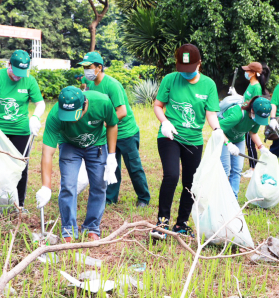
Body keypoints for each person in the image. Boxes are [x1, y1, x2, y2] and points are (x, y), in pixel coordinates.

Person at [150, 44, 221, 239]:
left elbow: (211, 114)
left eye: (190, 69)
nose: (186, 74)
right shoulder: (170, 80)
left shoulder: (209, 85)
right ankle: (161, 223)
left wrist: (217, 130)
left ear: (200, 63)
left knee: (191, 183)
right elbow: (158, 105)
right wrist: (164, 121)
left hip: (193, 139)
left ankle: (181, 224)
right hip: (170, 135)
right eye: (183, 69)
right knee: (171, 175)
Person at [35, 86, 119, 242]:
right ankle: (68, 229)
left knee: (99, 184)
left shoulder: (102, 102)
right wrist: (46, 187)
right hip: (69, 145)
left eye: (73, 115)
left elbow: (112, 124)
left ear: (85, 105)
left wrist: (112, 155)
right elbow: (47, 153)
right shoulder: (55, 116)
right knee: (68, 185)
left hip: (97, 145)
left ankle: (92, 227)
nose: (70, 119)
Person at [78, 52, 151, 207]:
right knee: (111, 165)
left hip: (126, 132)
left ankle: (143, 198)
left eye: (88, 67)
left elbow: (122, 112)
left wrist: (104, 124)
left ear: (99, 67)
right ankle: (110, 198)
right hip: (108, 133)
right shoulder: (88, 82)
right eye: (84, 67)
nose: (86, 71)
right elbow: (84, 88)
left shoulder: (112, 85)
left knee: (134, 167)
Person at [0, 50, 45, 208]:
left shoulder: (29, 80)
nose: (18, 76)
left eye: (22, 73)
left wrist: (35, 117)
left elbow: (40, 103)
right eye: (16, 72)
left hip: (21, 130)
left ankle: (19, 204)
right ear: (9, 65)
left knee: (20, 166)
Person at [219, 96, 271, 198]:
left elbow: (253, 132)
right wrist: (228, 144)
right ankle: (221, 199)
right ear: (252, 110)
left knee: (237, 169)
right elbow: (217, 129)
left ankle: (233, 198)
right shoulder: (237, 115)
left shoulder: (256, 118)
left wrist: (261, 147)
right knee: (225, 170)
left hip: (238, 139)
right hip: (223, 137)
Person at [237, 62, 270, 178]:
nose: (245, 73)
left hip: (250, 119)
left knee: (250, 143)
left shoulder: (256, 87)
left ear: (254, 73)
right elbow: (247, 99)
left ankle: (253, 168)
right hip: (245, 117)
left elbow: (254, 104)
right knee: (248, 143)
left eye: (248, 71)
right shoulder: (251, 84)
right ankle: (252, 167)